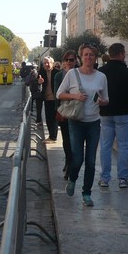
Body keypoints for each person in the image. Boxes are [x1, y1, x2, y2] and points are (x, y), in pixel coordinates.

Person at [56, 43, 109, 207]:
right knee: (77, 158)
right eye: (85, 55)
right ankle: (72, 179)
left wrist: (102, 101)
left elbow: (107, 99)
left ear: (95, 58)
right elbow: (59, 94)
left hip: (93, 123)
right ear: (81, 57)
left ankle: (87, 193)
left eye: (91, 55)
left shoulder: (101, 77)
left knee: (91, 161)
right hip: (76, 122)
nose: (88, 57)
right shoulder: (72, 74)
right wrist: (75, 96)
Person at [97, 43, 128, 188]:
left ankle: (104, 178)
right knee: (124, 146)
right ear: (121, 54)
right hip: (123, 114)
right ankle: (123, 178)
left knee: (105, 146)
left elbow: (97, 93)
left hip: (105, 113)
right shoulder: (127, 73)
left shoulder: (101, 72)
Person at [54, 50, 77, 180]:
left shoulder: (80, 74)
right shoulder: (58, 76)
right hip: (63, 110)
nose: (69, 62)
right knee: (66, 139)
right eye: (67, 60)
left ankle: (72, 163)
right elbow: (57, 93)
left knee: (75, 140)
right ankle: (68, 162)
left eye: (71, 60)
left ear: (76, 61)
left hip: (76, 111)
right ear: (63, 62)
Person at [39, 56, 60, 143]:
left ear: (52, 63)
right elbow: (37, 82)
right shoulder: (42, 72)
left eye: (48, 62)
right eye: (44, 63)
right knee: (48, 119)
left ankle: (53, 137)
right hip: (47, 99)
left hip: (56, 99)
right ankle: (51, 136)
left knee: (54, 119)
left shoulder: (57, 73)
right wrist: (39, 82)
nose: (46, 64)